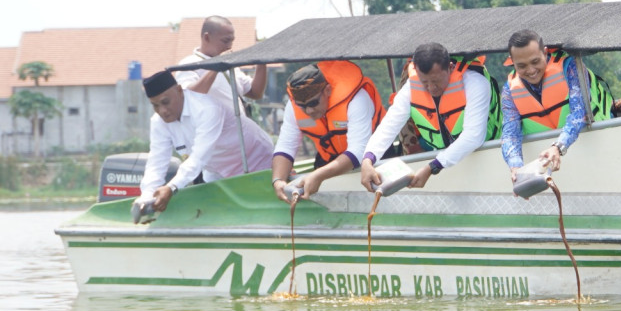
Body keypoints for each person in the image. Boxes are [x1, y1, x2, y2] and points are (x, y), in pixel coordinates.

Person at [500, 29, 621, 183]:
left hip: (602, 153)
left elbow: (579, 114)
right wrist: (517, 168)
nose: (530, 70)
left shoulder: (571, 67)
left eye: (535, 62)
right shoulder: (509, 91)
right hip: (561, 173)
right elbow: (510, 133)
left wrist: (557, 147)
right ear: (512, 62)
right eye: (521, 66)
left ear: (545, 52)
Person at [360, 42, 501, 190]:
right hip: (445, 160)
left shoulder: (476, 82)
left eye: (436, 81)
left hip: (489, 153)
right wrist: (367, 160)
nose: (431, 88)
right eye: (424, 82)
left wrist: (432, 167)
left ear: (450, 68)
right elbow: (389, 126)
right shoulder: (411, 87)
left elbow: (474, 136)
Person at [135, 70, 274, 213]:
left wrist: (171, 187)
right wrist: (147, 196)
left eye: (165, 102)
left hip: (256, 161)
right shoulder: (158, 122)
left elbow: (198, 157)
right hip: (217, 172)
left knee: (264, 213)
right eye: (155, 105)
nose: (162, 110)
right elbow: (156, 161)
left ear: (179, 90)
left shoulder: (206, 109)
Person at [271, 62, 385, 202]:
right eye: (302, 106)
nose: (309, 111)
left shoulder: (357, 99)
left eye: (313, 103)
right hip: (328, 163)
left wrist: (318, 175)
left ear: (328, 90)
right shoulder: (293, 106)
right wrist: (278, 180)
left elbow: (359, 151)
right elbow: (286, 145)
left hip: (373, 161)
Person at [175, 15, 267, 114]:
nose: (229, 46)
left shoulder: (229, 64)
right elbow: (190, 97)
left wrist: (261, 62)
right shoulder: (188, 64)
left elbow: (255, 93)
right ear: (207, 37)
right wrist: (217, 67)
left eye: (232, 41)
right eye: (225, 41)